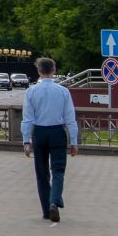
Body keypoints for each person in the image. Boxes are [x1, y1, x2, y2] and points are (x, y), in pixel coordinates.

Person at [21, 57, 79, 222]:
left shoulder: (31, 91)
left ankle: (47, 210)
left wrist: (26, 141)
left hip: (39, 133)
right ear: (54, 71)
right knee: (58, 170)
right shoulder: (63, 91)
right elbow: (70, 118)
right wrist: (73, 142)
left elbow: (27, 118)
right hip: (57, 132)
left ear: (38, 71)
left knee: (42, 173)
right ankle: (54, 202)